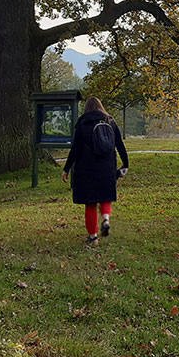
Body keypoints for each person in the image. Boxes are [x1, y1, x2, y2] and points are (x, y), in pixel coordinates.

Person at [62, 96, 129, 246]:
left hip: (87, 169)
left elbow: (75, 149)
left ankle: (93, 238)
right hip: (107, 167)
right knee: (106, 196)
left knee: (90, 204)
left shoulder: (82, 123)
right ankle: (105, 218)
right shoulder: (110, 121)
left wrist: (66, 168)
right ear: (101, 106)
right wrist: (125, 163)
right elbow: (120, 144)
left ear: (86, 108)